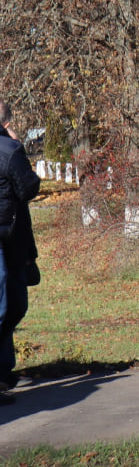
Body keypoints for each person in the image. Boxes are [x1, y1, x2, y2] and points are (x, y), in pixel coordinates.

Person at [0, 101, 40, 405]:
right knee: (8, 306)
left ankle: (3, 373)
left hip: (10, 237)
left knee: (10, 305)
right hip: (7, 237)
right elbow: (28, 188)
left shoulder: (9, 149)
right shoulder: (9, 150)